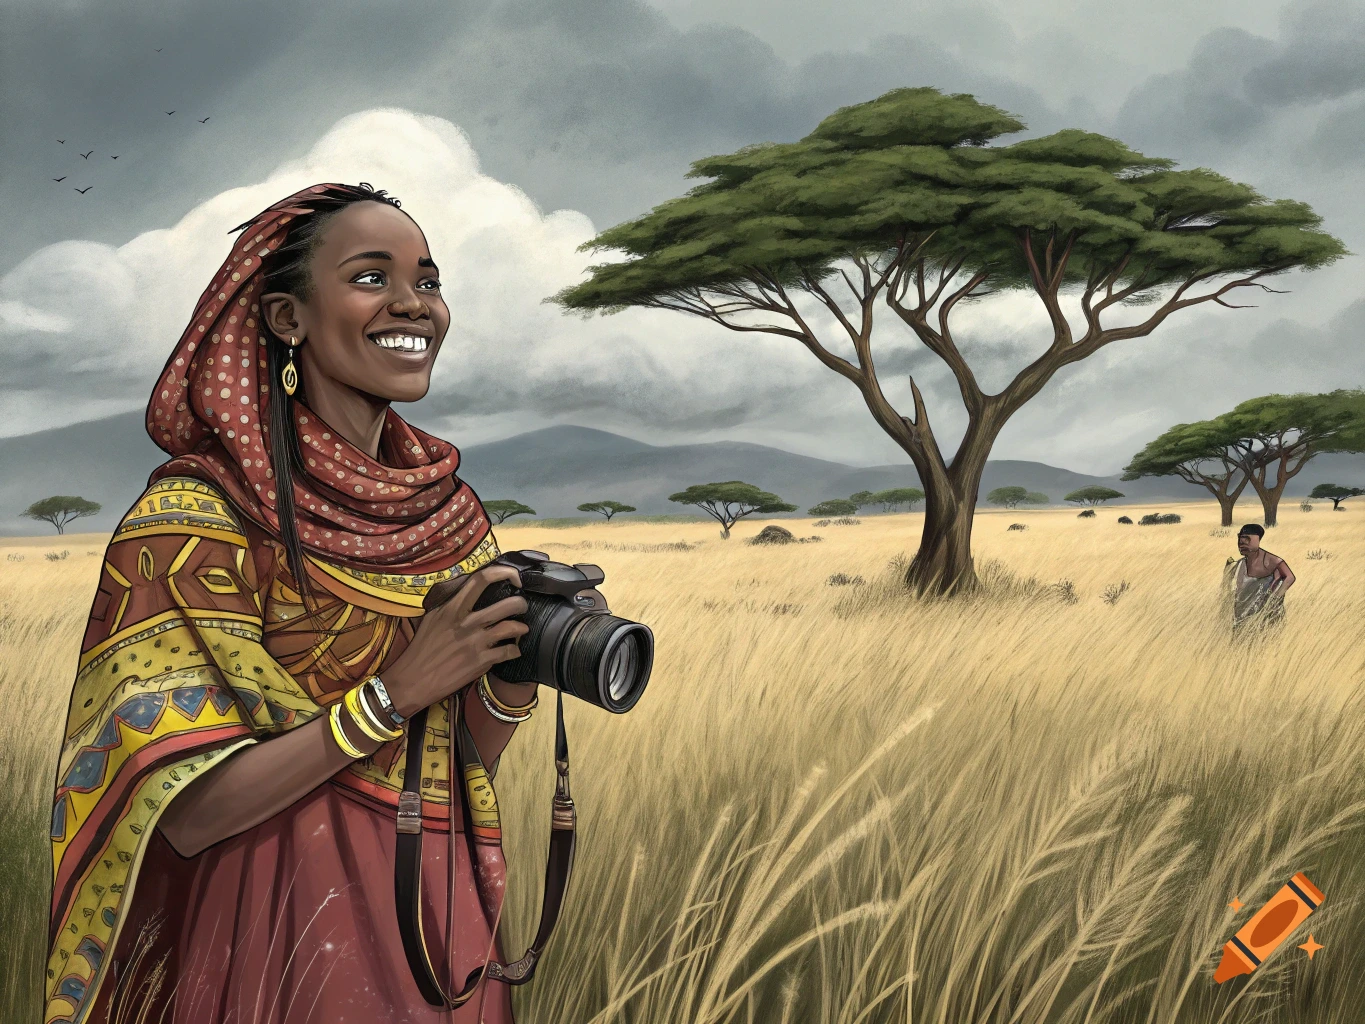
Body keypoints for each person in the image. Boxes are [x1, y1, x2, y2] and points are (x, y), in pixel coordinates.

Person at [45, 183, 548, 1023]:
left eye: (427, 281)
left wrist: (511, 676)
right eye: (369, 277)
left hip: (432, 914)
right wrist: (397, 693)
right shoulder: (193, 520)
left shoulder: (450, 518)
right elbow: (191, 816)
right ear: (286, 318)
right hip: (266, 920)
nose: (412, 306)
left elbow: (455, 767)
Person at [1223, 523, 1295, 637]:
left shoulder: (1271, 560)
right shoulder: (1239, 564)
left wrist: (1275, 598)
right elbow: (1228, 589)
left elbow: (1290, 577)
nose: (1242, 544)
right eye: (1240, 540)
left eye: (1247, 539)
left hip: (1265, 618)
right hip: (1241, 617)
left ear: (1258, 540)